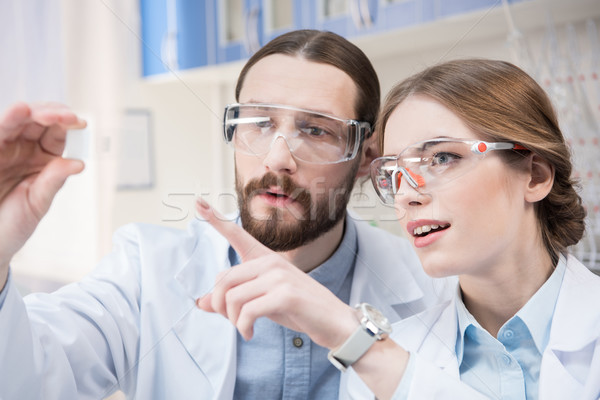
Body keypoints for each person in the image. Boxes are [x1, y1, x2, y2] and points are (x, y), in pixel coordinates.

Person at [0, 30, 443, 399]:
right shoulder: (145, 270)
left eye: (315, 129)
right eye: (259, 122)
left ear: (366, 157)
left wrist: (356, 338)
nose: (277, 158)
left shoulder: (431, 287)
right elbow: (28, 381)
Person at [195, 58, 600, 400]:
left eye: (442, 158)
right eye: (394, 172)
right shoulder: (381, 363)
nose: (407, 194)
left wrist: (365, 346)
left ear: (535, 176)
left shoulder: (378, 357)